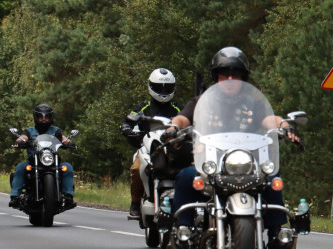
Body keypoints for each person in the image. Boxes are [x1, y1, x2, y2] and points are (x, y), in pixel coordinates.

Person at [164, 47, 300, 233]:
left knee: (272, 179)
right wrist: (173, 128)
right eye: (224, 74)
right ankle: (182, 229)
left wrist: (284, 126)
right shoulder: (201, 102)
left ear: (243, 78)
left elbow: (270, 119)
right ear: (216, 76)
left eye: (235, 74)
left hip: (247, 166)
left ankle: (277, 232)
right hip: (211, 165)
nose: (229, 79)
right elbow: (183, 118)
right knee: (186, 176)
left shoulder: (253, 103)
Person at [121, 68, 182, 220]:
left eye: (167, 88)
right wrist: (128, 129)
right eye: (159, 87)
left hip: (173, 149)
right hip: (147, 148)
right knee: (136, 168)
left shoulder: (179, 109)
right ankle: (135, 202)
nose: (163, 91)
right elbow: (127, 122)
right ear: (151, 86)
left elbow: (191, 123)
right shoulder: (141, 108)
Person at [9, 103, 76, 209]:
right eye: (41, 117)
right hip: (33, 161)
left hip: (52, 160)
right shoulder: (29, 131)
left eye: (47, 117)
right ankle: (15, 197)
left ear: (50, 118)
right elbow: (22, 138)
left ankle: (68, 197)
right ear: (36, 117)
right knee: (20, 168)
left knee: (67, 168)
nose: (43, 120)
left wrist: (69, 143)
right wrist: (19, 142)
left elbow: (64, 138)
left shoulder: (56, 131)